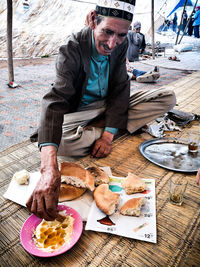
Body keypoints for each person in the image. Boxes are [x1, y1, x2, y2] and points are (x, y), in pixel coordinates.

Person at [27, 1, 176, 221]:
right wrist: (48, 169)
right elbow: (55, 100)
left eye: (121, 35)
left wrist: (107, 138)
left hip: (109, 105)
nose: (112, 43)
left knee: (167, 97)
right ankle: (117, 125)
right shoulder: (72, 48)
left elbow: (121, 89)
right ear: (92, 19)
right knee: (61, 143)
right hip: (81, 112)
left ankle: (108, 127)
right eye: (107, 32)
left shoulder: (120, 45)